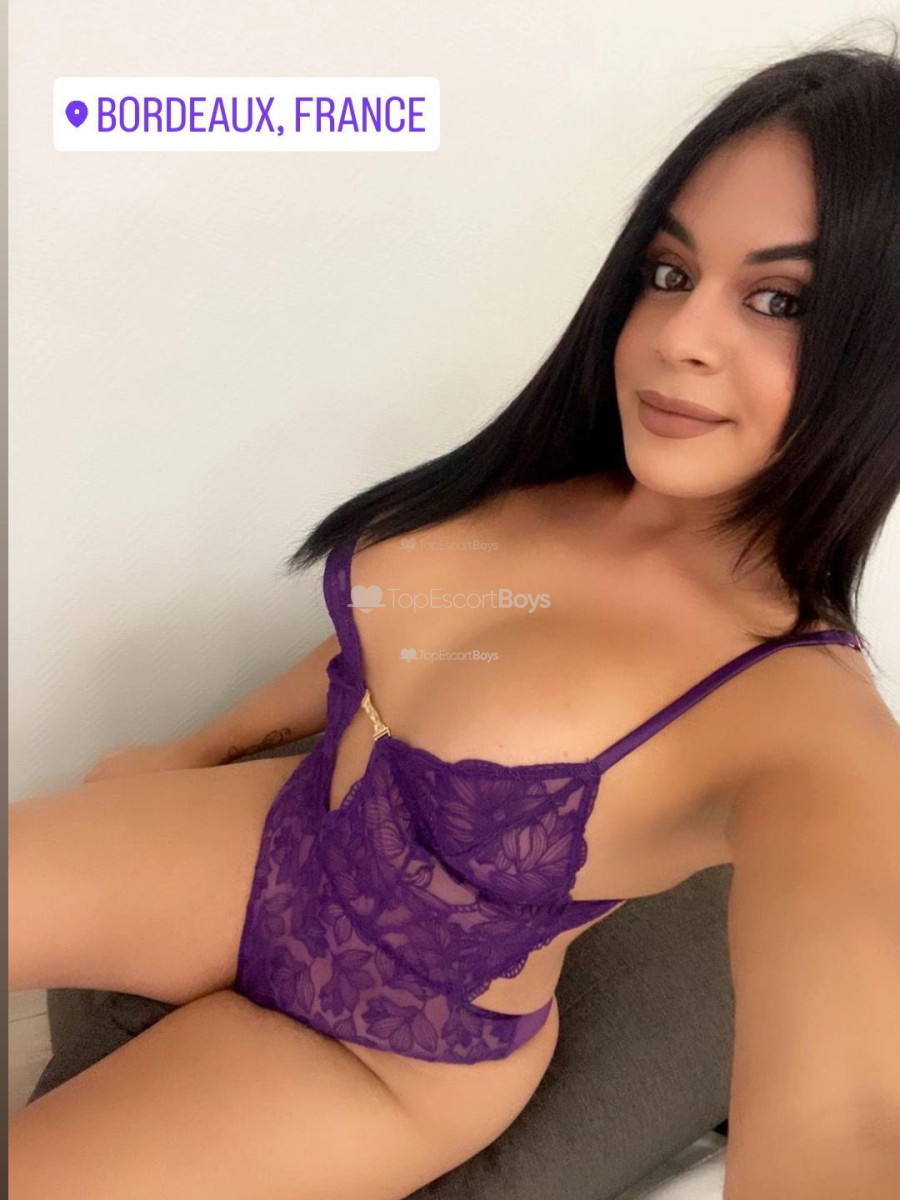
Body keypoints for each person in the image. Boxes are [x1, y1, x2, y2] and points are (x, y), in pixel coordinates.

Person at [9, 35, 900, 1200]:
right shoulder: (560, 481)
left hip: (389, 1048)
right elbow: (393, 643)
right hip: (271, 839)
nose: (680, 337)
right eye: (671, 272)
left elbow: (845, 1119)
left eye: (779, 300)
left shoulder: (807, 725)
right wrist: (193, 746)